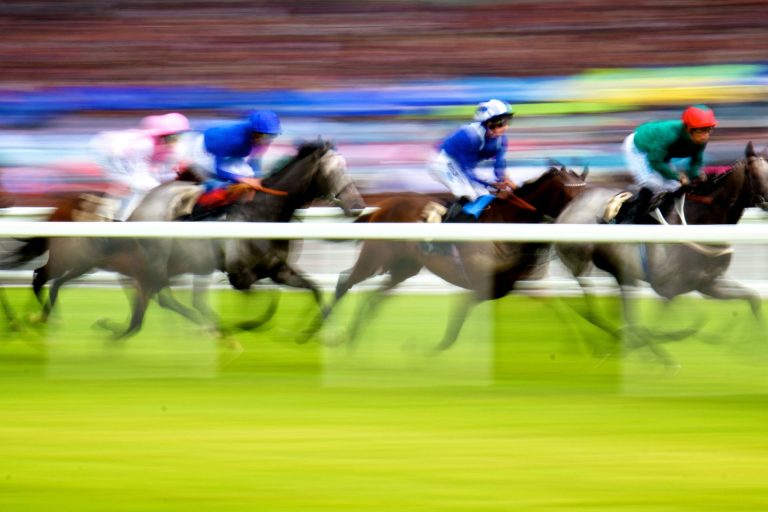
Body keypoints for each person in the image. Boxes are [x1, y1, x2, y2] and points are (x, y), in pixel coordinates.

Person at [618, 104, 717, 223]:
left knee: (675, 187)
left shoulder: (700, 140)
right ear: (689, 129)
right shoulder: (669, 135)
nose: (705, 136)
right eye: (702, 131)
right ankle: (630, 219)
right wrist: (677, 176)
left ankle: (664, 218)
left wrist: (695, 174)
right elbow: (655, 161)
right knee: (653, 183)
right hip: (639, 148)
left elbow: (696, 161)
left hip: (660, 155)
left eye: (708, 131)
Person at [90, 112, 191, 220]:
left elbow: (167, 173)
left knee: (150, 185)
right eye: (171, 137)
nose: (175, 141)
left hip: (132, 160)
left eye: (179, 136)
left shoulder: (178, 148)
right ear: (160, 135)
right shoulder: (143, 145)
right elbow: (139, 175)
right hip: (112, 156)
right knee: (135, 185)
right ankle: (115, 217)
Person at [428, 99, 515, 222]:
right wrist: (491, 183)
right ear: (488, 123)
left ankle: (462, 222)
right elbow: (468, 171)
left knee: (484, 196)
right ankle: (442, 229)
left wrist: (505, 180)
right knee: (468, 194)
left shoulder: (502, 140)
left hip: (460, 166)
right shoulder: (470, 136)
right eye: (500, 123)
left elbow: (499, 165)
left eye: (507, 122)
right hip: (442, 162)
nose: (504, 127)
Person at [176, 109, 282, 192]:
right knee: (229, 182)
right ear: (254, 133)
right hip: (203, 151)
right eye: (265, 136)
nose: (268, 140)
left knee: (249, 175)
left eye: (273, 135)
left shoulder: (262, 137)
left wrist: (257, 178)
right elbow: (219, 170)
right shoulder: (234, 141)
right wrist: (244, 180)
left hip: (229, 152)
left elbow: (255, 161)